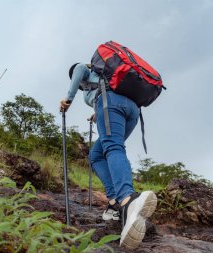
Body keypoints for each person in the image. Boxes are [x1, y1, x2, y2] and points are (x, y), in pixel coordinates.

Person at [59, 63, 157, 249]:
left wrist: (68, 99)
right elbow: (109, 95)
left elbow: (79, 69)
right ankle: (115, 203)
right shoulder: (103, 78)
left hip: (109, 103)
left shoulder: (84, 70)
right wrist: (97, 114)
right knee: (96, 155)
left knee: (112, 148)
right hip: (132, 110)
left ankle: (128, 200)